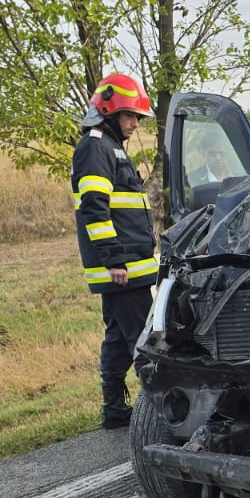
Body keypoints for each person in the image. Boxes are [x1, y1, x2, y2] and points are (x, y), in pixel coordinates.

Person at [70, 73, 159, 428]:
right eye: (131, 115)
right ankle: (161, 412)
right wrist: (114, 259)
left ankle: (114, 409)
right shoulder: (96, 147)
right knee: (144, 341)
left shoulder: (109, 146)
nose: (136, 124)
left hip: (127, 265)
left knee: (119, 339)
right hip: (123, 267)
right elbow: (94, 207)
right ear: (109, 111)